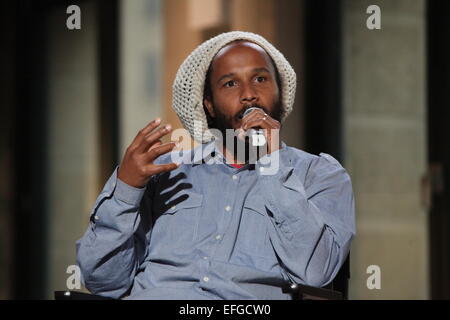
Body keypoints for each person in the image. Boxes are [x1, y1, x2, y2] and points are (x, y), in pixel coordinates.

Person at [76, 31, 355, 300]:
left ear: (280, 91)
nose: (249, 94)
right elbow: (104, 282)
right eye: (230, 83)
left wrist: (273, 165)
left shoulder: (320, 175)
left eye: (260, 78)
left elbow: (316, 273)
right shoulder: (164, 172)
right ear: (209, 105)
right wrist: (125, 190)